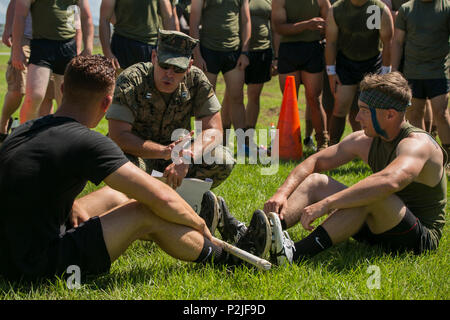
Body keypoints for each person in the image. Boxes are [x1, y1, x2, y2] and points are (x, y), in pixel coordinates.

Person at [0, 54, 271, 282]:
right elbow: (160, 196)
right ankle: (228, 259)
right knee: (145, 211)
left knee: (117, 196)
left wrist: (70, 209)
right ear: (107, 103)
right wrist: (198, 223)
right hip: (34, 268)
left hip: (10, 253)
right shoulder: (87, 141)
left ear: (62, 90)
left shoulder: (25, 129)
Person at [258, 72, 447, 265]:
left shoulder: (417, 144)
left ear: (390, 114)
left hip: (418, 239)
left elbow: (390, 181)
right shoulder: (365, 140)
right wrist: (281, 193)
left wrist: (327, 204)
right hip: (378, 226)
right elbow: (314, 162)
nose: (357, 117)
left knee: (373, 193)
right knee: (317, 182)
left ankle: (295, 254)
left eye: (365, 110)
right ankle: (257, 236)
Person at [106, 30, 235, 190]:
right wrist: (164, 151)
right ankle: (138, 200)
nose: (169, 74)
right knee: (120, 164)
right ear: (154, 58)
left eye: (178, 69)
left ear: (189, 66)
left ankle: (185, 197)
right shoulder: (132, 79)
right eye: (165, 65)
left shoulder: (196, 80)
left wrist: (187, 156)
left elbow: (214, 130)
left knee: (222, 159)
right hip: (138, 154)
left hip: (178, 157)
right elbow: (118, 136)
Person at [12, 0, 94, 124]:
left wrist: (88, 47)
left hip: (67, 47)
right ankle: (23, 137)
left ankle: (64, 138)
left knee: (66, 101)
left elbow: (86, 16)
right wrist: (17, 50)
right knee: (34, 96)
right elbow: (19, 16)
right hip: (41, 46)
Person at [325, 0, 394, 145]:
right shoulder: (337, 9)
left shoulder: (378, 8)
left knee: (373, 108)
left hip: (372, 63)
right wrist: (331, 72)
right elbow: (330, 42)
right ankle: (332, 146)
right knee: (341, 106)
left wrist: (386, 72)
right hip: (346, 63)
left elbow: (388, 42)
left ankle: (375, 148)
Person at [189, 0, 251, 153]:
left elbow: (246, 21)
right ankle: (203, 146)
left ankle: (243, 146)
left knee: (237, 98)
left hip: (234, 52)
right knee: (206, 100)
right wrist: (197, 55)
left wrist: (244, 52)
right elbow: (194, 21)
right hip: (208, 51)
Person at [391, 0, 450, 159]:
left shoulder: (446, 7)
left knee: (442, 113)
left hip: (438, 71)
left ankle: (448, 157)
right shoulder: (406, 9)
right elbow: (397, 42)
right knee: (415, 114)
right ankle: (425, 155)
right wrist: (394, 70)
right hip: (413, 72)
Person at [272, 0, 331, 151]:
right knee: (289, 101)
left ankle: (322, 143)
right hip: (288, 50)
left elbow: (330, 21)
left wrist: (324, 30)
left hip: (312, 49)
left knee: (314, 98)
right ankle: (286, 143)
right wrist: (307, 25)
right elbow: (278, 27)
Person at [99, 0, 177, 72]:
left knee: (148, 86)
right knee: (121, 85)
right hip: (122, 46)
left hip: (151, 48)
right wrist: (107, 53)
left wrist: (172, 49)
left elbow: (168, 18)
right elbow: (104, 19)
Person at [244, 0, 279, 155]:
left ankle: (248, 142)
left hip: (262, 51)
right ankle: (224, 140)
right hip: (239, 50)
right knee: (232, 96)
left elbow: (275, 29)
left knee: (254, 96)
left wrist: (276, 56)